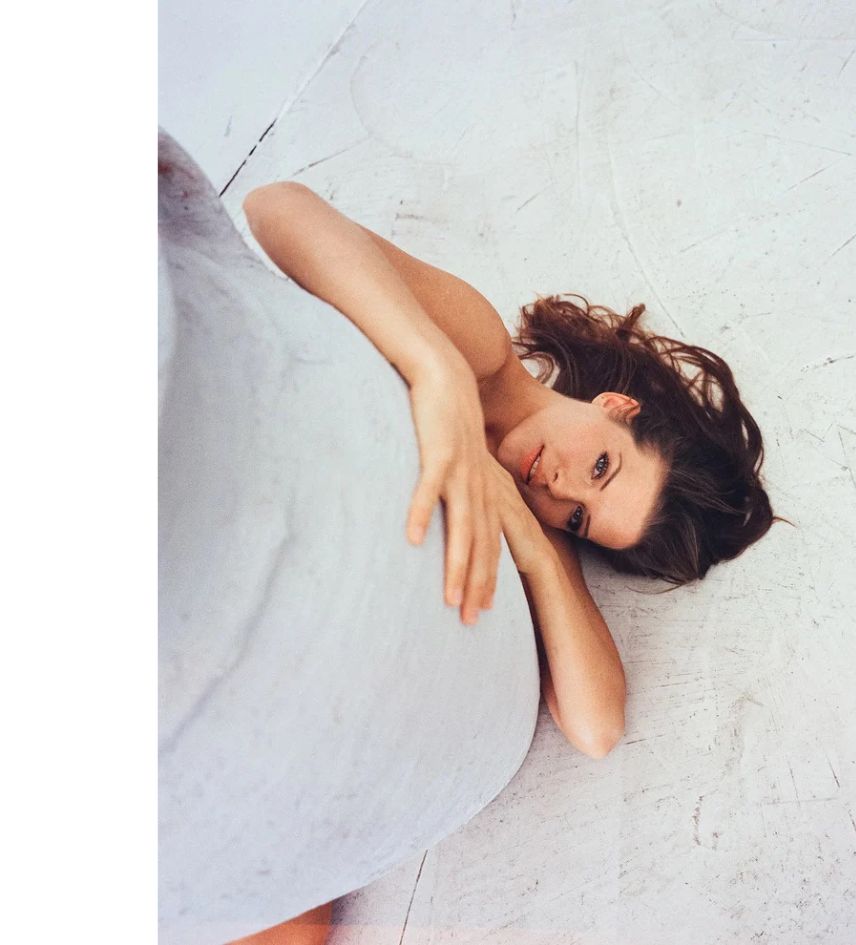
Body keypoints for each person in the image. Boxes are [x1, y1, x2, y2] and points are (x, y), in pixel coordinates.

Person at [231, 181, 777, 943]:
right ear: (616, 408)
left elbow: (596, 727)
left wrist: (544, 555)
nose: (560, 485)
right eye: (603, 467)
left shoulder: (536, 516)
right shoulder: (476, 348)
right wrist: (437, 372)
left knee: (292, 926)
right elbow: (275, 208)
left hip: (277, 631)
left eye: (583, 516)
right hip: (235, 462)